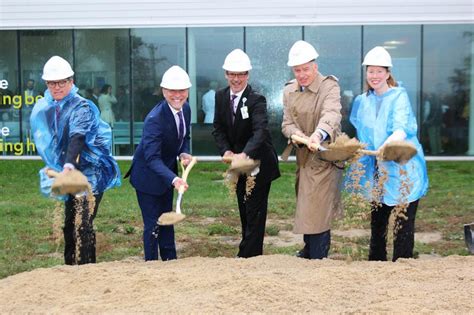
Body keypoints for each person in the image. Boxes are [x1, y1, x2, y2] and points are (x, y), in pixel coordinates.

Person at [30, 55, 121, 265]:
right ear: (47, 84)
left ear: (71, 81)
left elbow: (77, 137)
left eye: (62, 82)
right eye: (53, 83)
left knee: (83, 223)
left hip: (91, 173)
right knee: (70, 224)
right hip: (68, 172)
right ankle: (70, 269)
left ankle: (87, 270)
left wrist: (69, 165)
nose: (58, 87)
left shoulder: (82, 107)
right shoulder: (47, 107)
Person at [347, 46, 429, 261]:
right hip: (377, 167)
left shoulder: (399, 96)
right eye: (370, 71)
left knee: (403, 222)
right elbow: (360, 129)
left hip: (402, 166)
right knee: (378, 219)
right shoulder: (361, 101)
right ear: (366, 73)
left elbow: (402, 127)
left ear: (388, 73)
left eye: (379, 71)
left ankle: (402, 264)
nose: (374, 76)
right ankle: (376, 263)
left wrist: (388, 144)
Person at [212, 49, 280, 258]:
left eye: (240, 74)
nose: (236, 79)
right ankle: (249, 253)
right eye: (232, 74)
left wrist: (245, 154)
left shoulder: (256, 99)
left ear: (247, 75)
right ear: (226, 74)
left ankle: (248, 256)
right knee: (244, 207)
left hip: (259, 164)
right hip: (239, 165)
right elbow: (218, 128)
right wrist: (226, 150)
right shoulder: (221, 96)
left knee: (255, 212)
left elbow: (260, 131)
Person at [281, 40, 343, 260]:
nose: (302, 74)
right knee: (307, 205)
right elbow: (286, 123)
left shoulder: (329, 86)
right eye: (297, 70)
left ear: (315, 66)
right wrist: (298, 136)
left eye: (306, 69)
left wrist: (318, 135)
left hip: (325, 159)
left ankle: (317, 255)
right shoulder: (289, 90)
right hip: (304, 159)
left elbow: (332, 114)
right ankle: (308, 250)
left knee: (318, 209)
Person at [127, 65, 193, 261]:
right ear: (164, 91)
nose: (177, 95)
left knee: (167, 221)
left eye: (182, 90)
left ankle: (170, 262)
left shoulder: (186, 109)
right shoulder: (154, 120)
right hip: (147, 177)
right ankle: (151, 266)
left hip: (166, 175)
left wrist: (184, 152)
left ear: (187, 91)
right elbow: (151, 158)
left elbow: (184, 136)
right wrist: (174, 180)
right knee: (153, 226)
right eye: (172, 91)